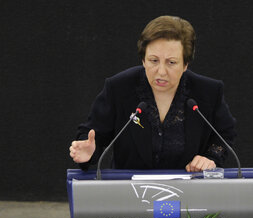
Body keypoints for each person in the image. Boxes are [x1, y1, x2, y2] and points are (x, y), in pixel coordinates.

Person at [69, 15, 236, 172]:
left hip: (190, 192)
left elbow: (224, 132)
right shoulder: (119, 88)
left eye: (171, 62)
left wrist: (210, 157)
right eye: (153, 61)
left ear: (185, 64)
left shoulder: (208, 92)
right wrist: (88, 153)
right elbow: (91, 135)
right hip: (131, 193)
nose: (161, 71)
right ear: (143, 59)